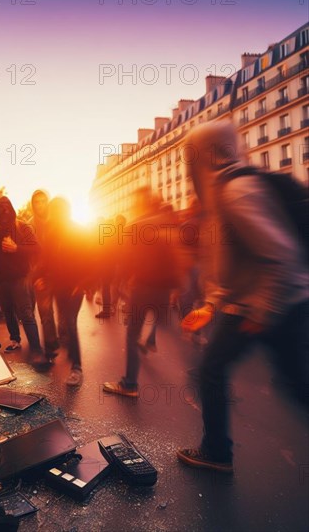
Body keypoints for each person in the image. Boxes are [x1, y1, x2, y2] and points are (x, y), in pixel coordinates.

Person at [177, 119, 309, 473]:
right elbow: (232, 260)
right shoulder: (227, 189)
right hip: (264, 302)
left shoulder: (236, 191)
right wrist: (210, 305)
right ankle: (217, 451)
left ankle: (217, 453)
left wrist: (263, 313)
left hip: (274, 302)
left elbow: (280, 256)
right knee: (294, 383)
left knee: (212, 370)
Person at [103, 187, 185, 397]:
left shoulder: (135, 226)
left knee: (132, 334)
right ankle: (196, 367)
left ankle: (129, 384)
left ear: (140, 203)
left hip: (142, 288)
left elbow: (126, 260)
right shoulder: (168, 224)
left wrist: (123, 283)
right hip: (163, 289)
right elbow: (177, 257)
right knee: (168, 329)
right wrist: (176, 286)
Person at [0, 196, 51, 372]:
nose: (4, 213)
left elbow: (37, 249)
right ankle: (15, 339)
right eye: (0, 210)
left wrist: (16, 248)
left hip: (20, 278)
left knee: (26, 313)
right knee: (8, 312)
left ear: (11, 211)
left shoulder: (22, 227)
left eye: (7, 209)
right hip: (0, 280)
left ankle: (36, 350)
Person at [38, 197, 94, 386]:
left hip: (74, 287)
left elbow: (91, 258)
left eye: (57, 212)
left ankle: (77, 367)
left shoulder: (78, 231)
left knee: (70, 322)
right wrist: (42, 279)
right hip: (59, 286)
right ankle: (68, 350)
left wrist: (84, 282)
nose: (54, 215)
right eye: (53, 212)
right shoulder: (51, 232)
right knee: (63, 322)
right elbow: (47, 260)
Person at [30, 189, 59, 357]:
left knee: (62, 313)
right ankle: (50, 345)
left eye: (43, 201)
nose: (40, 205)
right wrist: (36, 275)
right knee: (45, 310)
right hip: (41, 273)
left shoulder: (56, 221)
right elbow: (29, 254)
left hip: (58, 271)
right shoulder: (30, 224)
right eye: (36, 202)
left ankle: (58, 338)